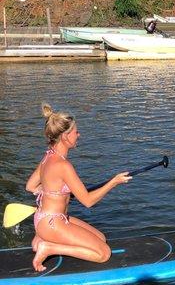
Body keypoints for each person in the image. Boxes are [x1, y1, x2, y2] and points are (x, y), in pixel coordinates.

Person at [26, 104, 132, 272]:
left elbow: (30, 186)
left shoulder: (48, 157)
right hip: (53, 222)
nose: (79, 135)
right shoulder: (63, 165)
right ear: (65, 136)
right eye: (76, 132)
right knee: (103, 253)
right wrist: (114, 182)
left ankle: (40, 238)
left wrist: (53, 192)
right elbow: (88, 201)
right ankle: (49, 247)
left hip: (43, 219)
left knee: (101, 238)